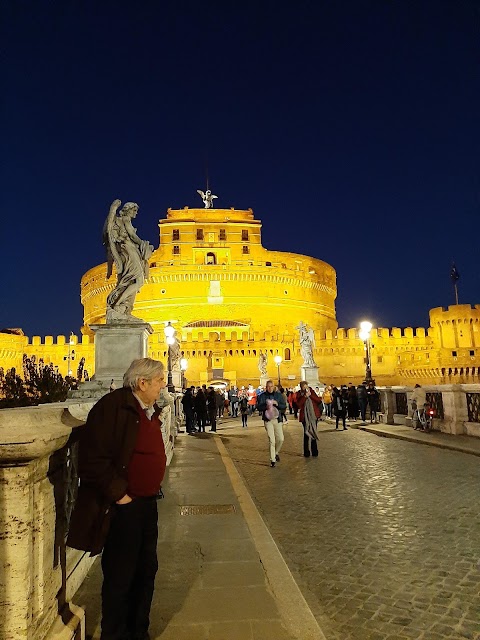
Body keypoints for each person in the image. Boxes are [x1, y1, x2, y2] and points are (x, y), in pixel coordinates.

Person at [67, 358, 167, 640]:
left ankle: (139, 631)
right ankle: (115, 633)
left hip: (147, 503)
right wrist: (121, 496)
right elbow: (92, 460)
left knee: (146, 570)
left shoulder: (148, 409)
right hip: (124, 507)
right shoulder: (112, 408)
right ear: (142, 382)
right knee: (121, 575)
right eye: (159, 380)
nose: (163, 385)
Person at [256, 379, 287, 467]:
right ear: (266, 387)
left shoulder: (278, 395)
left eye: (271, 386)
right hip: (268, 420)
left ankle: (276, 452)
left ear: (274, 387)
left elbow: (284, 405)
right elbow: (258, 407)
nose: (270, 388)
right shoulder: (262, 396)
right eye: (268, 387)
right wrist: (266, 405)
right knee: (272, 440)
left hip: (277, 419)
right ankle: (272, 459)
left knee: (281, 439)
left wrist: (277, 404)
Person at [295, 381, 322, 457]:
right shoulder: (299, 394)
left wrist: (311, 395)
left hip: (313, 416)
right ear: (301, 387)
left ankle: (314, 451)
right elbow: (298, 404)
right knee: (306, 433)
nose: (305, 388)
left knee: (313, 432)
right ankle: (306, 452)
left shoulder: (312, 391)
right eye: (304, 387)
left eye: (306, 386)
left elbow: (318, 401)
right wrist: (305, 397)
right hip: (305, 417)